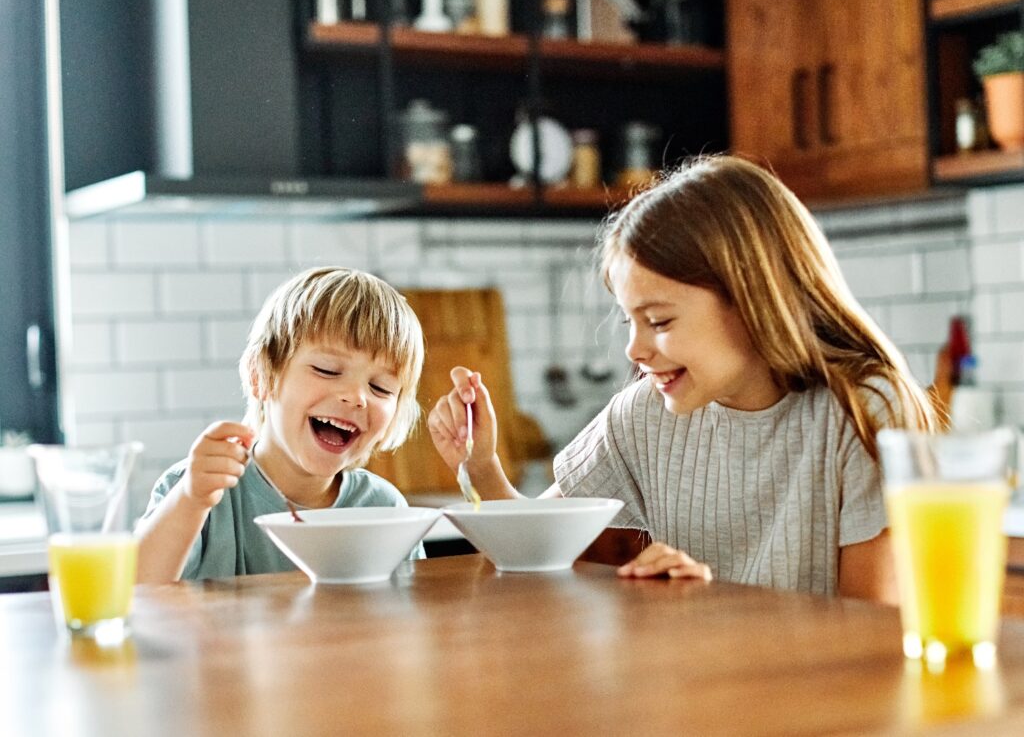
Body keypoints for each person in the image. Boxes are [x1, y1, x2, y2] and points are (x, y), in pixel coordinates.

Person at [427, 155, 934, 604]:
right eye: (630, 320)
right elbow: (531, 549)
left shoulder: (863, 409)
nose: (634, 349)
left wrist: (708, 606)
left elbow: (872, 633)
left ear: (752, 300)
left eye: (660, 321)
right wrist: (483, 466)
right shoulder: (644, 414)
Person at [136, 267, 425, 582]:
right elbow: (135, 592)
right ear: (261, 376)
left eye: (380, 388)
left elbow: (411, 613)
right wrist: (191, 500)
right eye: (327, 370)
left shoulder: (385, 509)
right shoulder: (197, 489)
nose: (356, 398)